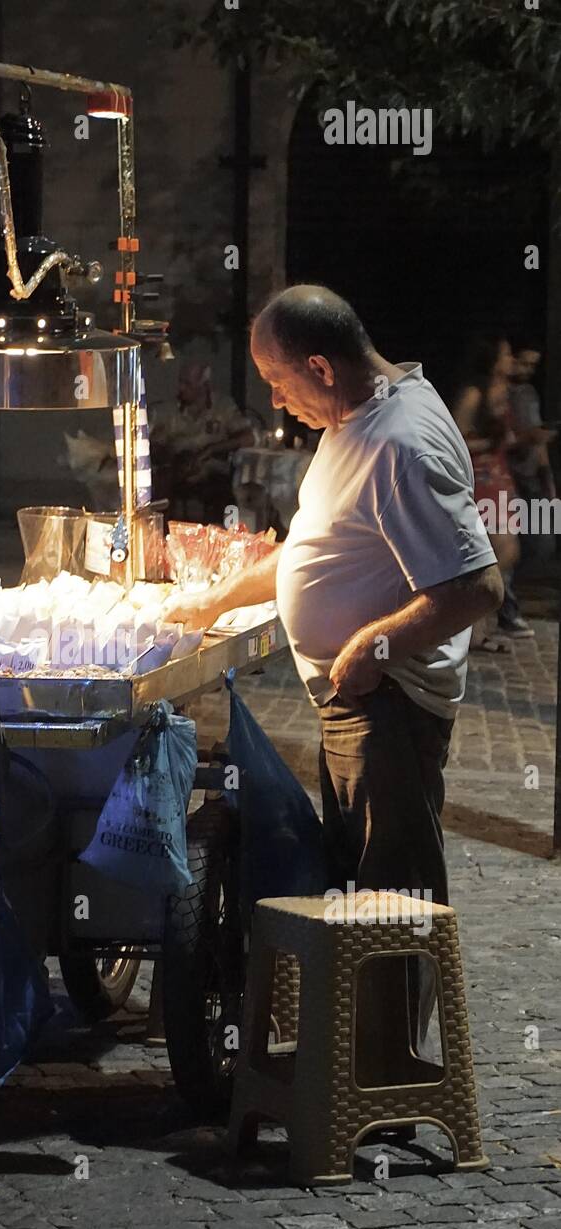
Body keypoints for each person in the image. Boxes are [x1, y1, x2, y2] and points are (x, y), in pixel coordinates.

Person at [163, 285, 502, 1051]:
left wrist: (365, 651)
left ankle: (385, 1075)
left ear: (321, 364)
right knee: (360, 880)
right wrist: (219, 597)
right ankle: (360, 1060)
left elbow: (475, 586)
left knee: (391, 891)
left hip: (387, 707)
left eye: (282, 383)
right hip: (360, 705)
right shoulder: (358, 419)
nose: (279, 402)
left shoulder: (399, 444)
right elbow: (316, 546)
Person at [451, 336, 531, 645]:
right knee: (497, 553)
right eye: (506, 354)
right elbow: (455, 440)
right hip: (481, 479)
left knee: (505, 554)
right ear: (493, 360)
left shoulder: (505, 393)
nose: (510, 358)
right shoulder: (475, 393)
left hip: (500, 478)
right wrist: (487, 443)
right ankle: (468, 625)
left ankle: (478, 625)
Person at [150, 362, 255, 519]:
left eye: (188, 384)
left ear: (204, 385)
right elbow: (151, 444)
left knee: (227, 496)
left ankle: (229, 535)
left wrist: (211, 450)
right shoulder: (167, 411)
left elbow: (248, 437)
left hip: (213, 472)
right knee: (159, 488)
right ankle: (160, 533)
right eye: (181, 382)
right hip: (177, 470)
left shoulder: (223, 407)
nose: (181, 388)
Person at [508, 337, 557, 577]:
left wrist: (546, 475)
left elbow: (538, 442)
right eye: (523, 363)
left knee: (544, 537)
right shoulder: (500, 393)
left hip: (531, 476)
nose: (527, 371)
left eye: (532, 366)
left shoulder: (528, 393)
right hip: (510, 476)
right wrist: (528, 438)